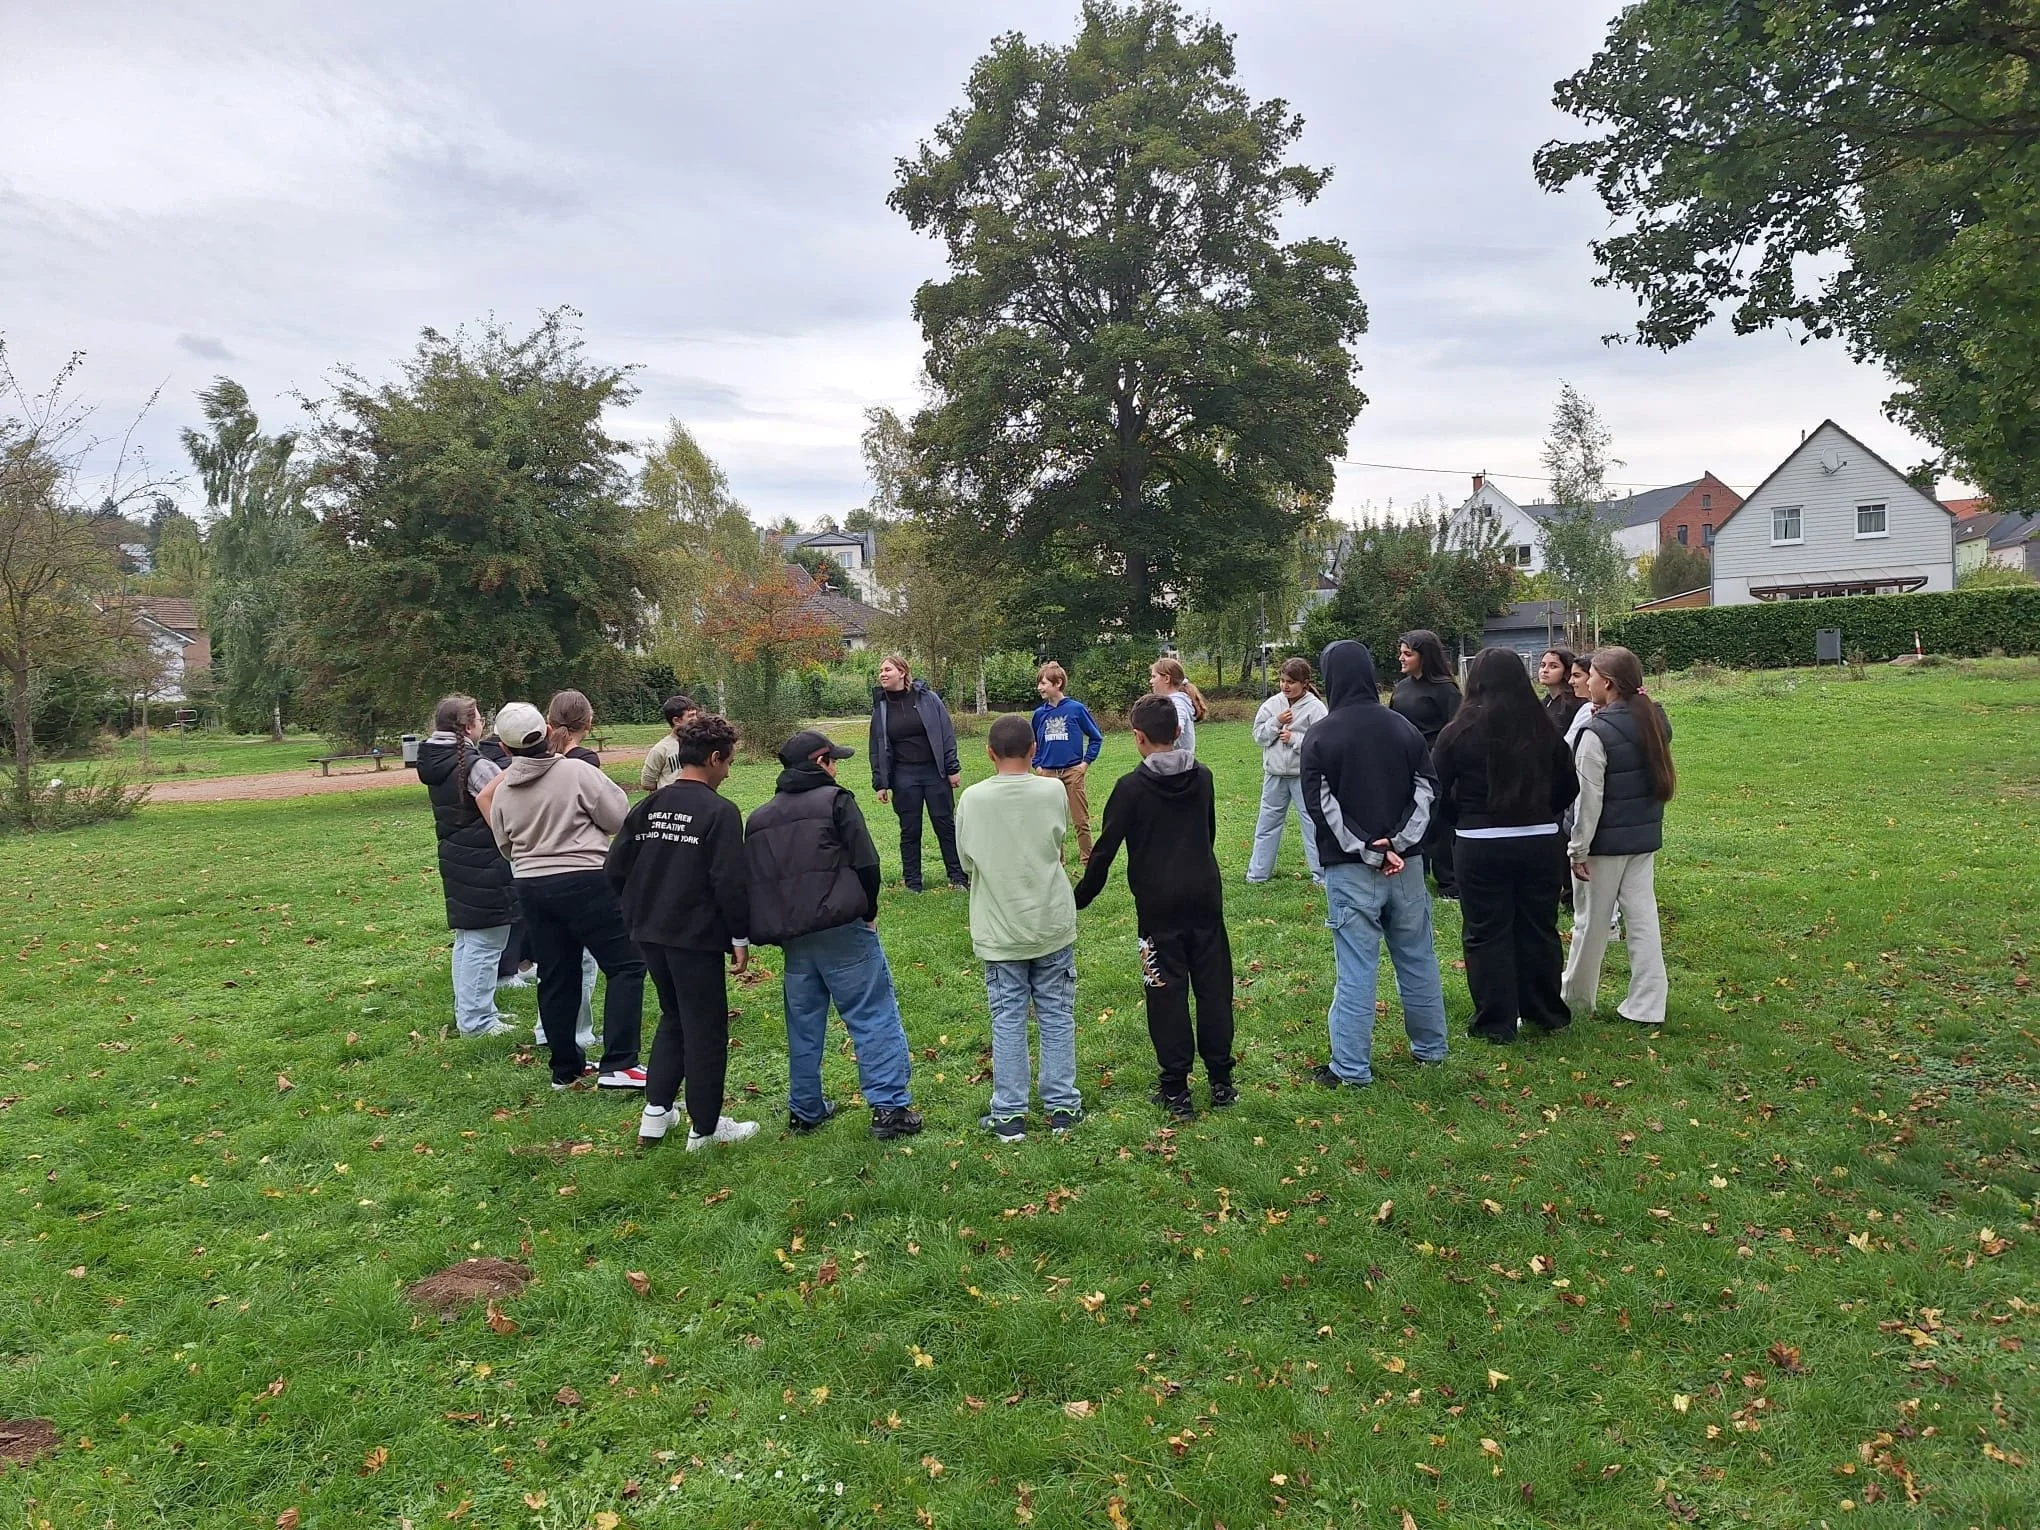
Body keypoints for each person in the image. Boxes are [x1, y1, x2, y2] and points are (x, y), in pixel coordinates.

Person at [745, 729, 923, 1140]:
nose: (837, 768)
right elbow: (867, 862)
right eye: (834, 760)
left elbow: (754, 883)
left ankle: (805, 1108)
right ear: (820, 762)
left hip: (794, 936)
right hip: (844, 927)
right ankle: (889, 1108)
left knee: (803, 1024)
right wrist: (870, 910)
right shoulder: (836, 801)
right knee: (872, 1013)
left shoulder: (758, 819)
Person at [1074, 694, 1234, 1119]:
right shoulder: (1203, 777)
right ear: (1179, 732)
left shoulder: (1130, 789)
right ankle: (1222, 1082)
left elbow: (1104, 851)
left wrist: (1078, 899)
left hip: (1157, 907)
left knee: (1165, 993)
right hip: (1204, 896)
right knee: (1214, 990)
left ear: (1138, 737)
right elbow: (1208, 832)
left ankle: (1176, 1089)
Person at [606, 712, 757, 1151]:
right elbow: (729, 882)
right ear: (713, 758)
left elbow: (615, 868)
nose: (729, 771)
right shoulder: (720, 812)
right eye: (728, 762)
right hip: (693, 936)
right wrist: (740, 937)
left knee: (674, 1017)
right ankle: (705, 1129)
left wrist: (640, 905)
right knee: (706, 1027)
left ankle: (656, 1114)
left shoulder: (650, 805)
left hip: (647, 930)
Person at [1301, 640, 1449, 1086]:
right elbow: (1429, 789)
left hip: (1352, 869)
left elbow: (1320, 806)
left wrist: (1373, 848)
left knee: (1356, 968)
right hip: (1405, 868)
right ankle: (1432, 1049)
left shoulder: (1321, 735)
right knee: (1419, 958)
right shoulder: (1402, 728)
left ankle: (1350, 1067)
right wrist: (1399, 844)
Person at [482, 701, 647, 1092]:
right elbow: (618, 817)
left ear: (504, 749)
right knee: (626, 966)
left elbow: (504, 844)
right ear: (547, 730)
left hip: (532, 888)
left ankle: (565, 1069)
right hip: (587, 880)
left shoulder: (504, 788)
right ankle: (620, 1063)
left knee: (557, 974)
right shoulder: (577, 772)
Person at [1433, 649, 1579, 1044]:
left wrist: (1462, 818)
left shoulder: (1457, 732)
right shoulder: (1545, 729)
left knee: (1485, 930)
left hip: (1480, 843)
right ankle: (1545, 1010)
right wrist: (1541, 814)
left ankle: (1496, 1021)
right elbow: (1569, 786)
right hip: (1537, 841)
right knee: (1539, 926)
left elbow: (1436, 789)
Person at [957, 714, 1083, 1142]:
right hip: (1050, 920)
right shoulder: (1052, 791)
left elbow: (966, 860)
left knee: (1008, 1018)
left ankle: (1010, 1113)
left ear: (989, 753)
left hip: (1000, 927)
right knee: (1057, 1014)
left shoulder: (972, 799)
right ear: (1034, 750)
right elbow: (1058, 843)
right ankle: (1062, 1103)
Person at [1562, 646, 1675, 1027]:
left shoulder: (1597, 732)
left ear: (1607, 683)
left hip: (1604, 845)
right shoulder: (1654, 719)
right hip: (1643, 840)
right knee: (1643, 919)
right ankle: (1648, 1003)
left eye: (1590, 674)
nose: (1586, 680)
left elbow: (1587, 801)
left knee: (1590, 924)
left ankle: (1576, 1001)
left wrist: (1578, 850)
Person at [415, 694, 518, 1037]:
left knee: (469, 939)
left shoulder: (437, 757)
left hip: (459, 856)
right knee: (486, 942)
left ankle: (473, 1013)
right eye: (479, 718)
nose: (483, 724)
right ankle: (477, 1023)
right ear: (468, 726)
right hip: (483, 860)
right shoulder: (473, 764)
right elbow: (502, 811)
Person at [868, 655, 967, 892]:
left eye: (887, 669)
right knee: (910, 829)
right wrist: (881, 782)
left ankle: (958, 877)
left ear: (902, 672)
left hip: (935, 772)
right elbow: (876, 747)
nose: (882, 674)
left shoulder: (928, 699)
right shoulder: (880, 707)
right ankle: (913, 882)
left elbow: (946, 734)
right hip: (904, 775)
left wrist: (952, 768)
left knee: (945, 825)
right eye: (880, 670)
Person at [1390, 629, 1463, 898]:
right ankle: (1414, 874)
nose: (1401, 658)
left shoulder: (1445, 689)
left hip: (1436, 765)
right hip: (1406, 763)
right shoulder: (1402, 688)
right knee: (1410, 821)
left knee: (1439, 824)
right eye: (1401, 652)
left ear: (1425, 656)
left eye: (1408, 654)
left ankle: (1449, 882)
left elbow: (1457, 729)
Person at [1246, 658, 1327, 885]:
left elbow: (1323, 744)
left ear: (1305, 683)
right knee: (1267, 824)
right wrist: (1276, 722)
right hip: (1274, 775)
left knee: (1312, 825)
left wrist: (1296, 740)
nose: (1285, 686)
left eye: (1291, 682)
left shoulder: (1316, 708)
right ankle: (1257, 875)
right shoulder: (1272, 705)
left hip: (1304, 776)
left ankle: (1321, 876)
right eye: (1282, 680)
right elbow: (1259, 736)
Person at [1030, 661, 1103, 865]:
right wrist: (1038, 766)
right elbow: (1033, 743)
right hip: (1048, 775)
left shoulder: (1076, 709)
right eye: (1039, 683)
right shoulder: (1039, 714)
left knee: (1081, 820)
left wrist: (1085, 764)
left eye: (1044, 683)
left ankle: (1088, 860)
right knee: (1052, 820)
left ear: (1058, 683)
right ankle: (1057, 861)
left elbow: (1096, 738)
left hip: (1072, 772)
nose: (1039, 688)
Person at [639, 692, 701, 794]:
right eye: (691, 716)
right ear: (676, 720)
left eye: (695, 715)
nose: (696, 719)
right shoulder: (661, 749)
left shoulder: (700, 743)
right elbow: (647, 783)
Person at [1147, 656, 1207, 758]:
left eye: (1154, 677)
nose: (1150, 681)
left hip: (1178, 767)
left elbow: (1176, 729)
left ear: (1167, 678)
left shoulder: (1177, 703)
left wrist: (1159, 750)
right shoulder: (1174, 701)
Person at [1539, 647, 1583, 734]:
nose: (1545, 670)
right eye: (1543, 665)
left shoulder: (1573, 704)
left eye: (1553, 666)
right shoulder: (1546, 702)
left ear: (1566, 671)